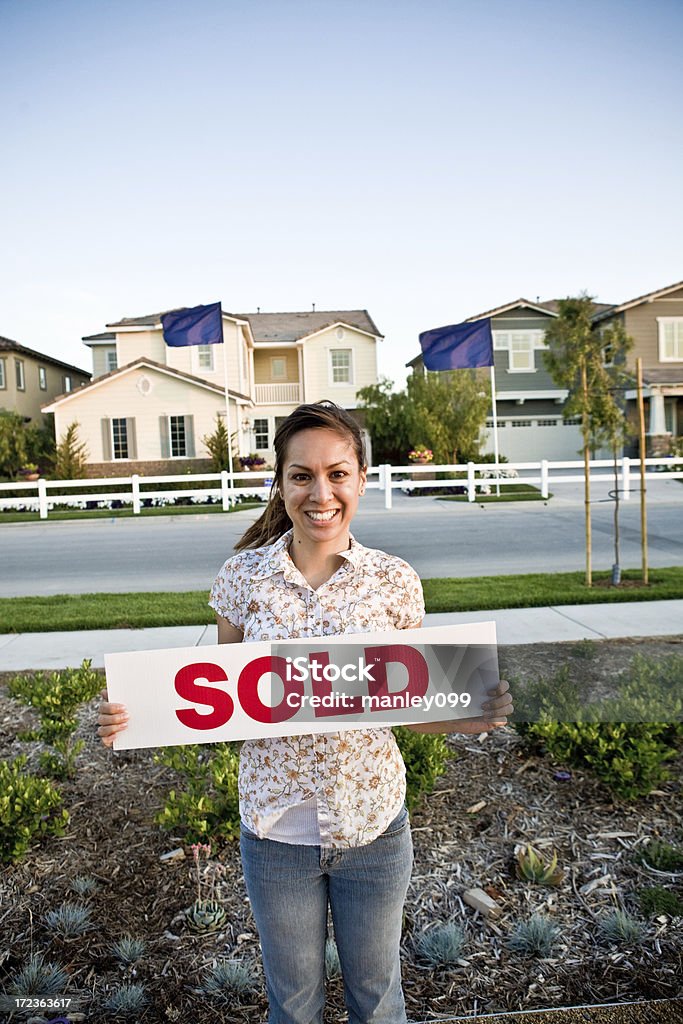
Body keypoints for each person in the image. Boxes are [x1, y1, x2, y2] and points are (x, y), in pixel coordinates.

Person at [98, 400, 512, 1024]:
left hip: (371, 825)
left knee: (377, 1002)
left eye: (337, 474)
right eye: (301, 475)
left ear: (361, 480)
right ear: (281, 483)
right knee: (292, 1005)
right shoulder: (243, 578)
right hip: (276, 831)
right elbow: (219, 700)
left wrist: (466, 713)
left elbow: (404, 709)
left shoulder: (394, 582)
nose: (321, 492)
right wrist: (136, 713)